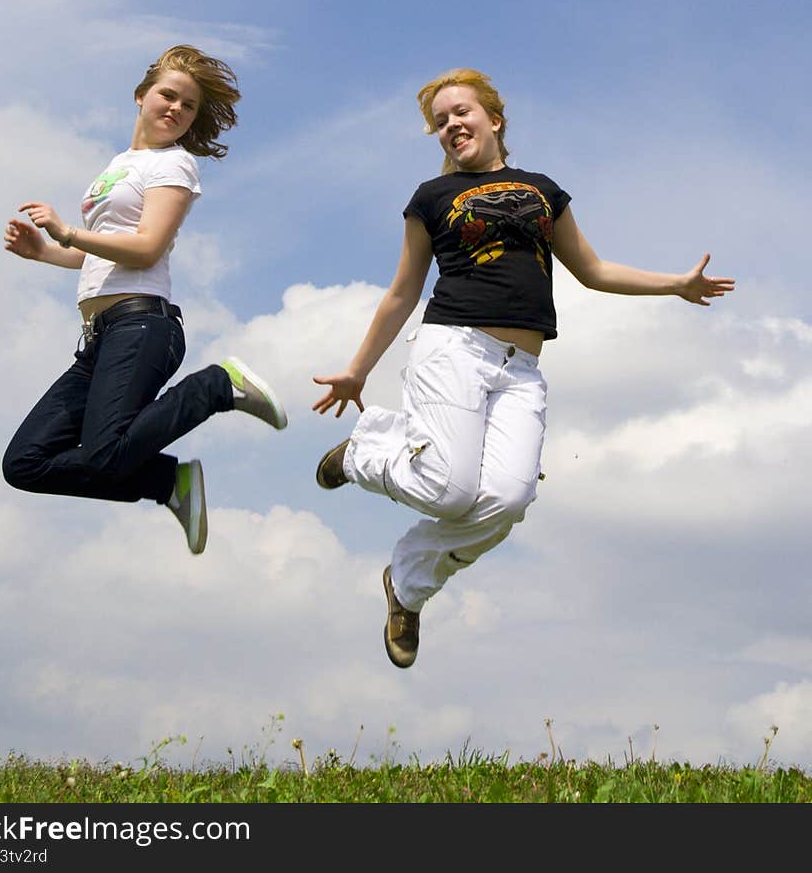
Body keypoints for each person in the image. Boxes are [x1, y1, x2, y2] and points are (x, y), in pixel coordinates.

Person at [312, 67, 735, 668]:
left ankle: (406, 584)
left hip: (521, 369)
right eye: (439, 122)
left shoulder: (542, 190)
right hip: (452, 347)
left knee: (507, 502)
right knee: (450, 489)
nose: (451, 126)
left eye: (460, 113)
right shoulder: (430, 199)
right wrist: (357, 371)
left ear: (493, 118)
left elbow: (593, 271)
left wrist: (676, 285)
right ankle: (364, 452)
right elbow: (403, 292)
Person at [2, 44, 286, 556]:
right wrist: (44, 251)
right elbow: (100, 253)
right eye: (168, 95)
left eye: (189, 106)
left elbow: (146, 247)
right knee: (24, 463)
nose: (176, 109)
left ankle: (218, 385)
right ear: (141, 96)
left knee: (105, 453)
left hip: (143, 326)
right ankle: (167, 483)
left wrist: (67, 232)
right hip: (100, 339)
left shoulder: (174, 166)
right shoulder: (118, 166)